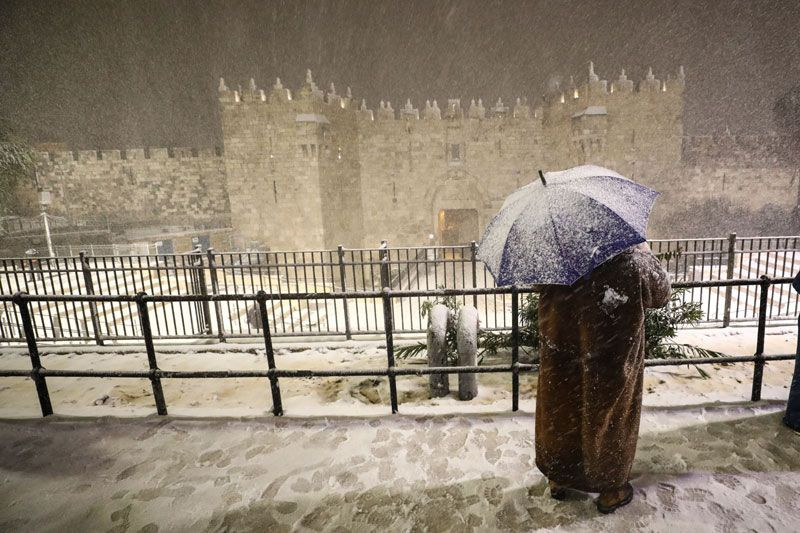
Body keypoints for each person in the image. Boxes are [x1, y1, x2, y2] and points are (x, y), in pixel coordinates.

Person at [535, 242, 671, 513]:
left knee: (561, 413)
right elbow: (662, 292)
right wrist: (644, 252)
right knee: (609, 418)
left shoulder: (557, 256)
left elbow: (537, 285)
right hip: (611, 359)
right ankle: (611, 487)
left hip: (561, 355)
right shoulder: (632, 261)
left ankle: (558, 477)